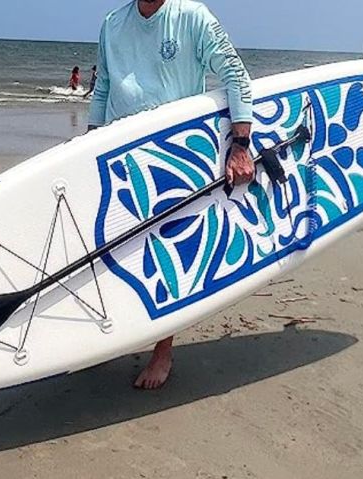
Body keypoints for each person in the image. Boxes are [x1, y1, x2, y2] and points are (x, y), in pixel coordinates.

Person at [88, 0, 255, 390]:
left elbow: (236, 74)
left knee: (167, 251)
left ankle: (163, 349)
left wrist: (240, 143)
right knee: (115, 249)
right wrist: (87, 150)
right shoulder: (113, 24)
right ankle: (109, 337)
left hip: (175, 155)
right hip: (120, 153)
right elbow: (103, 89)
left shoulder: (192, 17)